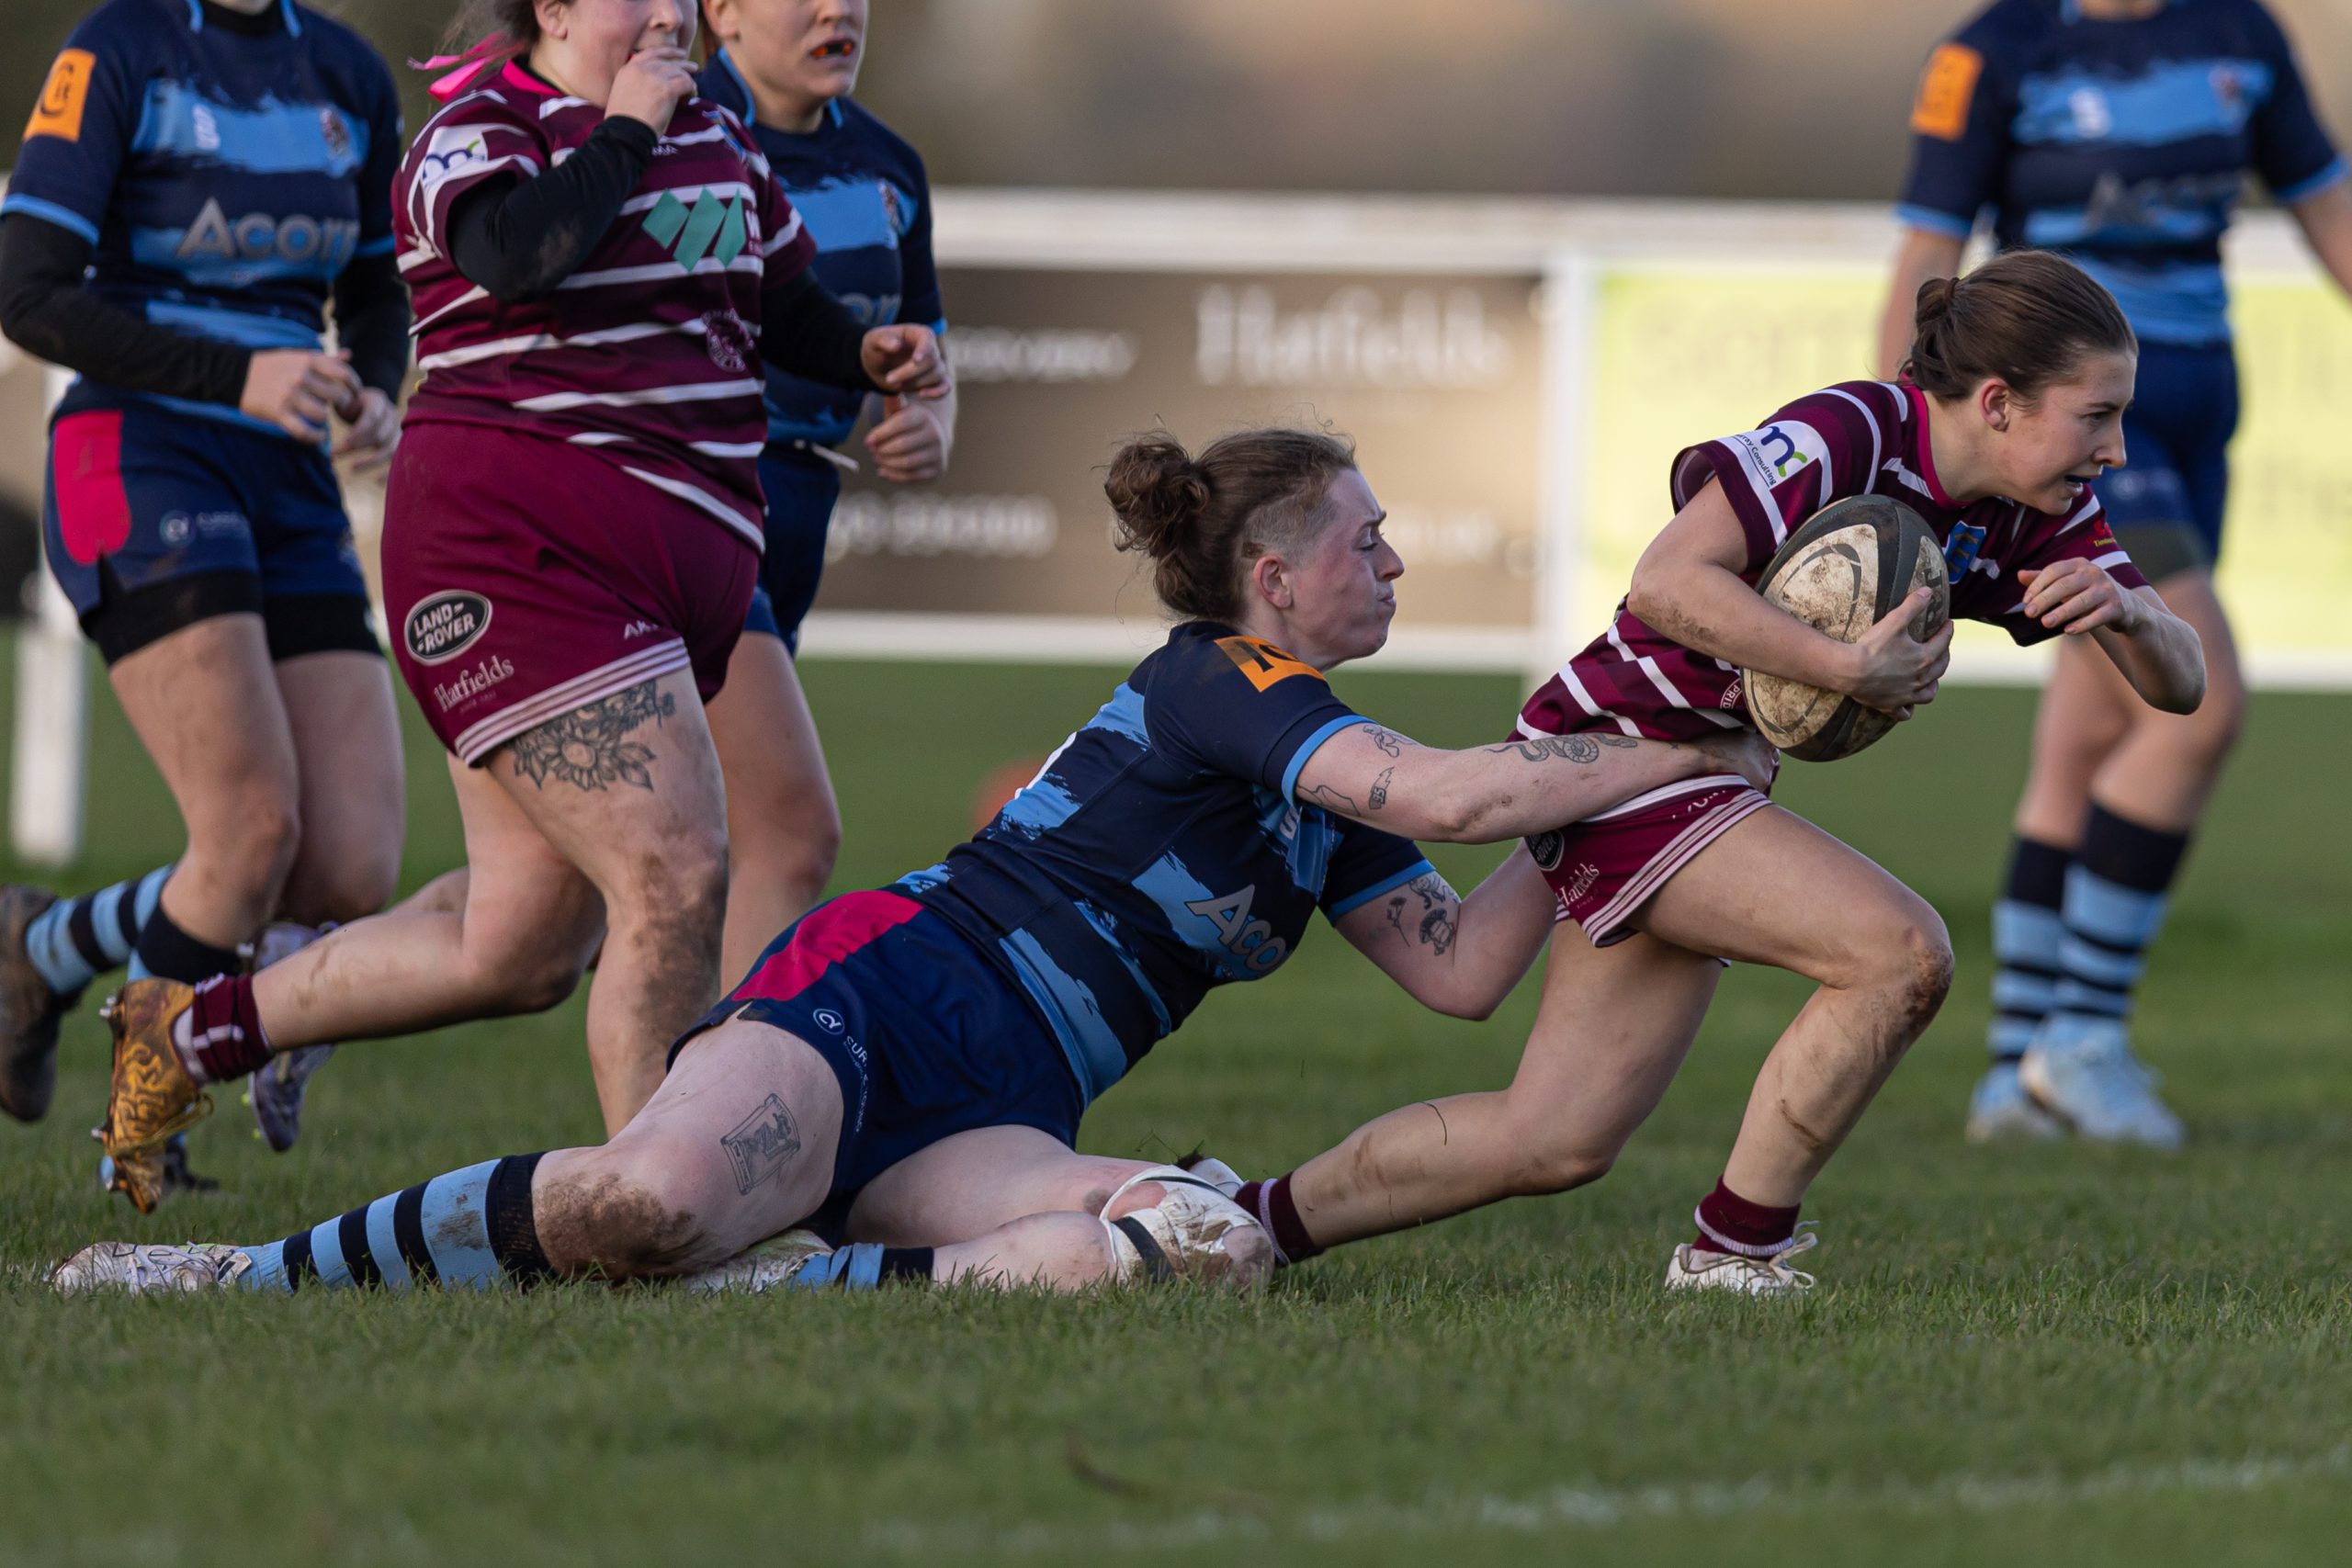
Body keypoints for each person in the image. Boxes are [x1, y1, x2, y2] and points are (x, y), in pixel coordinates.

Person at [54, 424, 1770, 1292]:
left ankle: (793, 1288)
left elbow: (1466, 971)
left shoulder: (1332, 785)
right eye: (1365, 540)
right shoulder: (1223, 678)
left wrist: (1613, 814)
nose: (1391, 561)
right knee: (644, 1201)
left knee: (1194, 1244)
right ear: (1271, 577)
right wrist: (1664, 746)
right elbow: (1458, 796)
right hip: (882, 997)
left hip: (1008, 1101)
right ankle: (233, 1271)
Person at [75, 0, 951, 1213]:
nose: (670, 13)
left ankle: (190, 1035)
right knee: (678, 865)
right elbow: (516, 254)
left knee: (523, 942)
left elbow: (782, 299)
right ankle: (669, 1213)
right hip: (517, 564)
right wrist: (625, 131)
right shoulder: (480, 129)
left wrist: (865, 355)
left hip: (657, 579)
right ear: (554, 9)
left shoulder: (716, 135)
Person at [1199, 252, 2206, 1297]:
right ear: (1997, 403)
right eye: (2096, 416)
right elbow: (1665, 581)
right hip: (1619, 751)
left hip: (1713, 780)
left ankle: (1234, 1222)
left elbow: (2184, 686)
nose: (2115, 448)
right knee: (1899, 955)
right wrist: (1840, 668)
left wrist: (2133, 614)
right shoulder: (1852, 431)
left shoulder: (2042, 513)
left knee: (1553, 1138)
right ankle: (1734, 1253)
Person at [1879, 0, 2352, 1146]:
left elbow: (2329, 212)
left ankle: (2014, 1075)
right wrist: (1902, 458)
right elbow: (1927, 257)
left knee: (2089, 736)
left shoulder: (2242, 34)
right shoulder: (1995, 50)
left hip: (2191, 411)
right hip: (2076, 433)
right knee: (2197, 706)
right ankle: (2081, 1042)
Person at [0, 0, 414, 1179]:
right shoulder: (119, 50)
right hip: (140, 454)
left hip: (288, 474)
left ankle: (44, 946)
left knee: (347, 869)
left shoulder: (345, 71)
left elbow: (376, 286)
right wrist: (234, 373)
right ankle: (138, 1155)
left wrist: (376, 385)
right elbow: (27, 291)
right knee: (248, 829)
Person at [696, 0, 955, 978]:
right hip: (693, 499)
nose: (837, 8)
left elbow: (926, 344)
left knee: (572, 900)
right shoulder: (674, 140)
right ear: (721, 12)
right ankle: (737, 1079)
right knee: (787, 833)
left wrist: (931, 419)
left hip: (800, 505)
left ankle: (307, 968)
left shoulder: (889, 164)